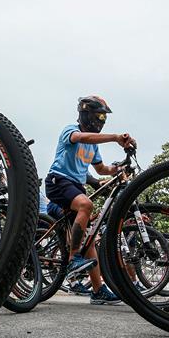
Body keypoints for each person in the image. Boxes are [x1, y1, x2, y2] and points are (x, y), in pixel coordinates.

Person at [45, 95, 136, 305]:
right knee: (86, 204)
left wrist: (119, 168)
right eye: (99, 115)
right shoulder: (71, 130)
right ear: (86, 114)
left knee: (89, 239)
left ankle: (98, 290)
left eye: (104, 117)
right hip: (58, 181)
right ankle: (73, 259)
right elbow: (80, 138)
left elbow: (101, 169)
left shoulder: (93, 146)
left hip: (75, 186)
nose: (102, 120)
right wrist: (115, 137)